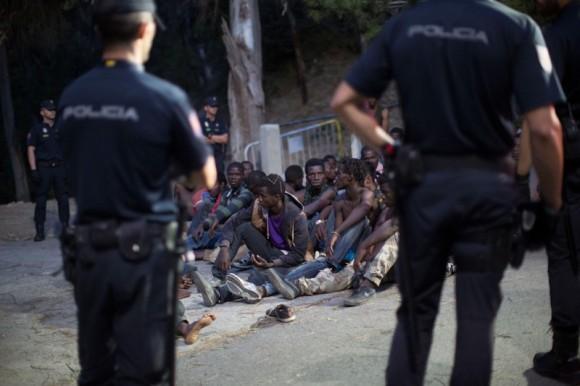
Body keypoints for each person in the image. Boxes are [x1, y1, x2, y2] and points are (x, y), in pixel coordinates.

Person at [330, 0, 565, 384]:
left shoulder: (405, 26)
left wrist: (392, 149)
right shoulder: (518, 26)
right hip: (487, 189)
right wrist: (550, 205)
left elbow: (343, 101)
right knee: (476, 318)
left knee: (415, 315)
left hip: (424, 188)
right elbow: (544, 129)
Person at [58, 1, 216, 384]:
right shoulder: (163, 97)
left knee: (96, 372)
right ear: (145, 29)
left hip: (88, 254)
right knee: (146, 375)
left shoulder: (72, 97)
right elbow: (205, 175)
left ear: (100, 33)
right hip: (142, 259)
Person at [519, 1, 580, 383]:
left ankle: (565, 352)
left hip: (572, 159)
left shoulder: (555, 37)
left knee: (564, 253)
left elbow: (541, 122)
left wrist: (530, 175)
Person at [211, 174, 308, 281]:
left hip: (288, 259)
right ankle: (218, 276)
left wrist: (272, 263)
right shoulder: (260, 205)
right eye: (258, 195)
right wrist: (224, 248)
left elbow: (298, 255)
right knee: (243, 228)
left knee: (257, 278)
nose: (259, 199)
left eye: (263, 196)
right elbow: (233, 222)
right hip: (270, 251)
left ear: (277, 196)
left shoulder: (296, 215)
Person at [27, 99, 70, 241]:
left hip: (59, 168)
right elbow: (31, 149)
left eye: (53, 109)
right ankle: (40, 231)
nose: (53, 111)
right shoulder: (36, 129)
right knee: (41, 200)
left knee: (63, 199)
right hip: (43, 168)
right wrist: (33, 170)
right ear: (42, 112)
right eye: (49, 109)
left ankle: (65, 228)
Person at [200, 96, 229, 174]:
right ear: (206, 108)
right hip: (204, 154)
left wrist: (209, 137)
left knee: (219, 174)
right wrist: (217, 139)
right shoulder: (200, 120)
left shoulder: (221, 120)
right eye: (212, 106)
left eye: (216, 106)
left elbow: (225, 139)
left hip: (218, 155)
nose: (215, 108)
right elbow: (198, 139)